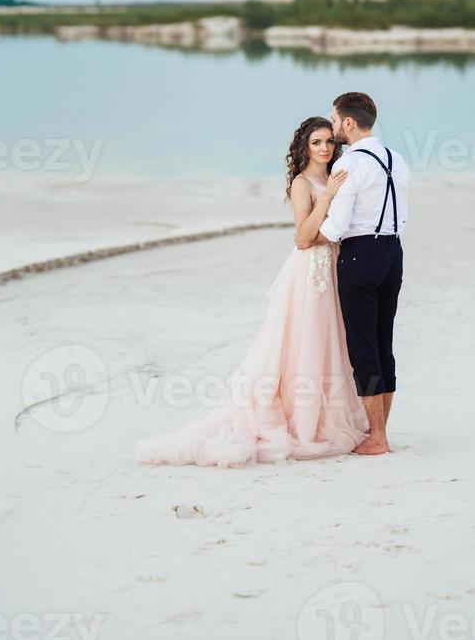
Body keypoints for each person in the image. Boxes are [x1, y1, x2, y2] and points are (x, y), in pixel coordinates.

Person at [135, 116, 368, 468]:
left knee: (329, 342)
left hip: (334, 266)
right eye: (317, 142)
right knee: (301, 341)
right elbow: (303, 236)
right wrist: (329, 198)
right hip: (309, 272)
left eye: (329, 142)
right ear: (304, 146)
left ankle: (325, 415)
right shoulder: (303, 184)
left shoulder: (334, 176)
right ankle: (298, 420)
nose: (324, 149)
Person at [296, 92, 409, 456]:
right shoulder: (397, 159)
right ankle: (380, 431)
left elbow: (334, 228)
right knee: (383, 342)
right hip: (393, 251)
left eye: (334, 120)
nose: (331, 127)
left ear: (348, 122)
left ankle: (376, 437)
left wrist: (313, 234)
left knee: (363, 348)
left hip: (361, 255)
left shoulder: (352, 165)